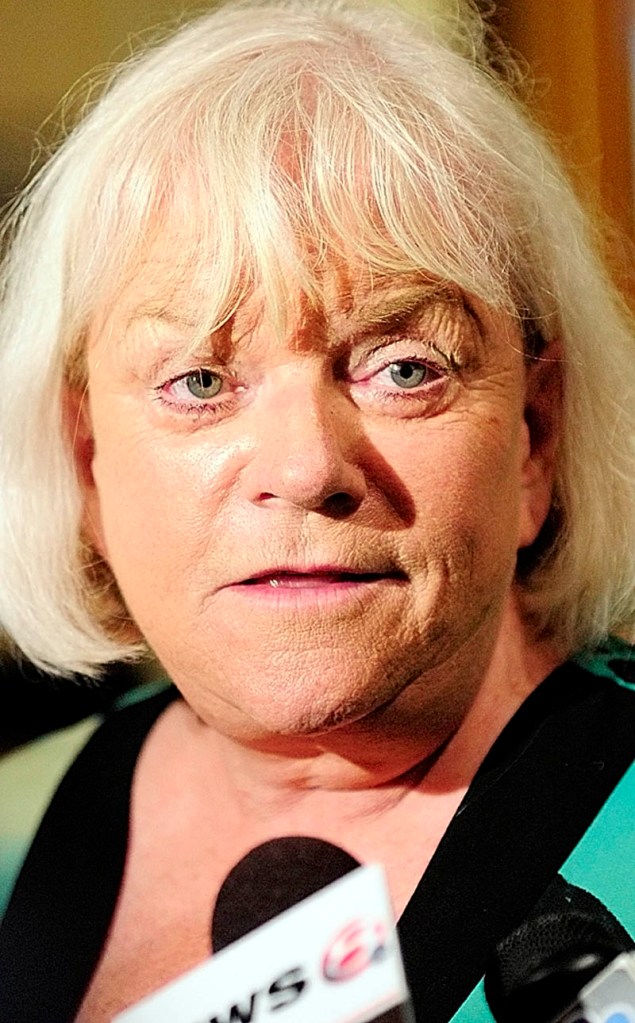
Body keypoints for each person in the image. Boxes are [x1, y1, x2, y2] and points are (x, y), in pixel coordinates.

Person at [0, 0, 634, 1020]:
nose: (303, 469)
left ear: (534, 434)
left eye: (401, 366)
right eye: (201, 381)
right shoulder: (14, 826)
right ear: (85, 465)